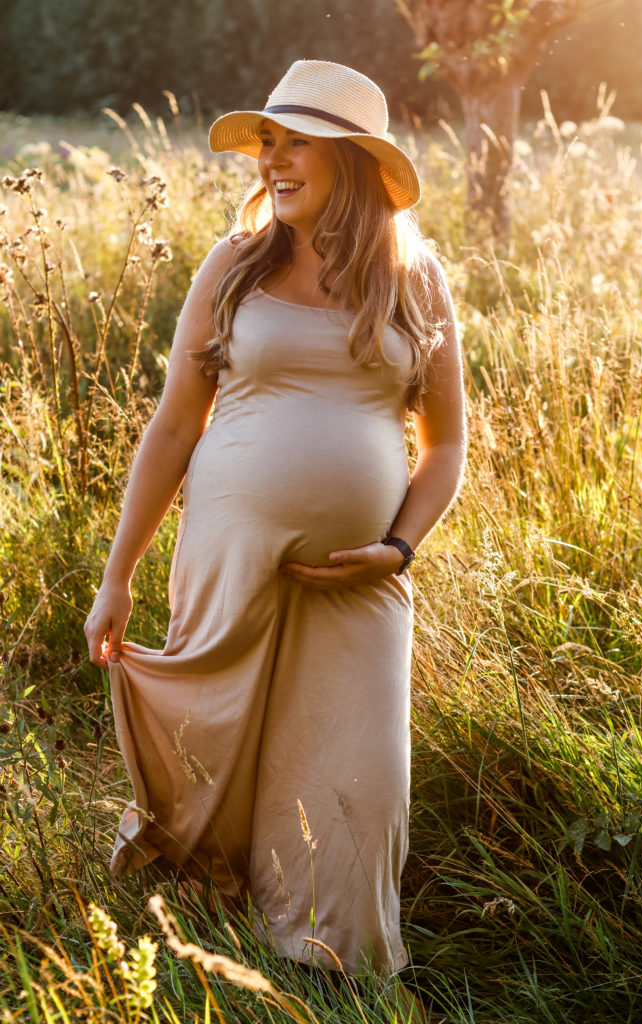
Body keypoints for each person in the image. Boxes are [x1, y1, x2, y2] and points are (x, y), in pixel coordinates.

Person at [84, 59, 466, 978]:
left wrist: (397, 548)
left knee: (360, 777)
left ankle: (339, 958)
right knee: (220, 740)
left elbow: (445, 447)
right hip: (230, 552)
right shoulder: (236, 264)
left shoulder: (414, 280)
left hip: (363, 582)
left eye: (297, 143)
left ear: (352, 161)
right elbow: (176, 423)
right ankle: (214, 919)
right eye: (269, 143)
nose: (272, 162)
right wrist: (116, 574)